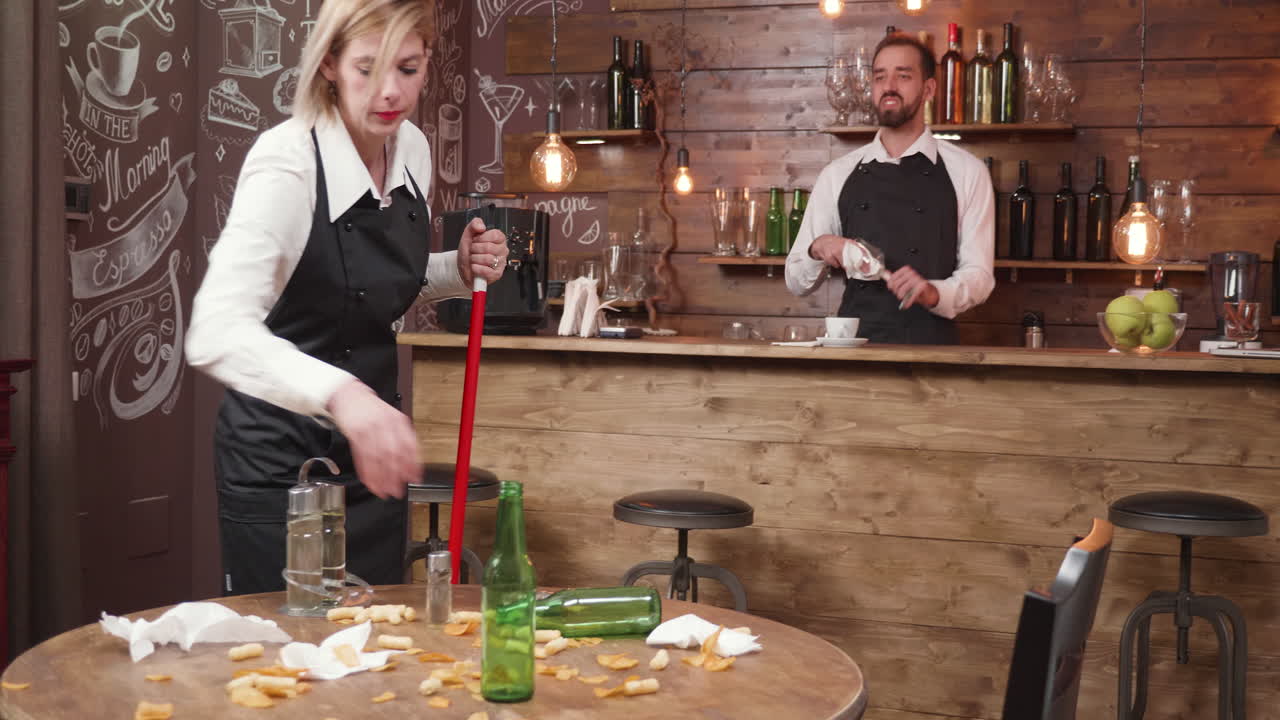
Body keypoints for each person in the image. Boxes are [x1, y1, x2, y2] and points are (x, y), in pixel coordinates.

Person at [186, 0, 508, 595]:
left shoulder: (410, 147)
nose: (390, 92)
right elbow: (215, 330)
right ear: (330, 64)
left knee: (375, 657)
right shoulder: (288, 163)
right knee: (288, 670)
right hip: (283, 470)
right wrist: (346, 396)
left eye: (407, 69)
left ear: (428, 61)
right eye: (367, 68)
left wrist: (455, 269)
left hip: (372, 467)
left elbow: (363, 283)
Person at [786, 34, 995, 345]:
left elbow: (979, 275)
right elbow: (796, 281)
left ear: (928, 89)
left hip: (932, 350)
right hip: (853, 348)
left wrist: (933, 292)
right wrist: (818, 247)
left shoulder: (967, 171)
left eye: (903, 75)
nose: (889, 86)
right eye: (880, 76)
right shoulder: (838, 173)